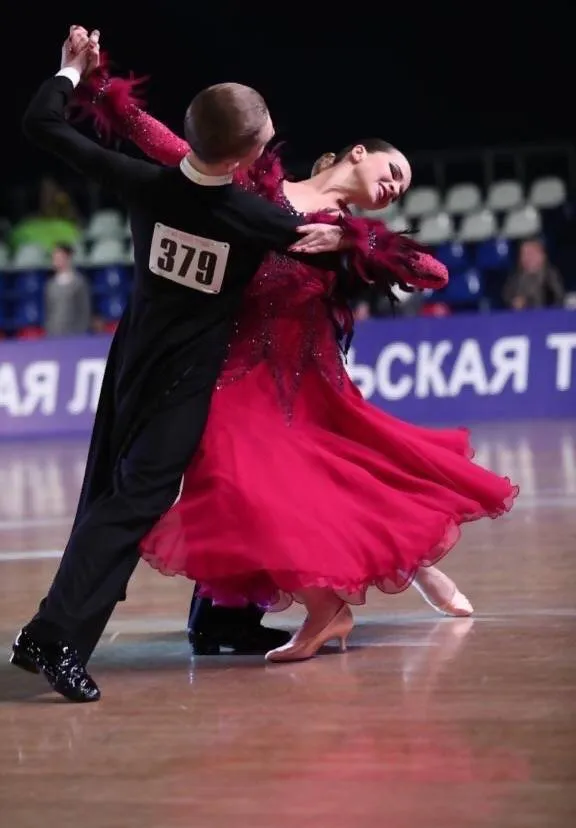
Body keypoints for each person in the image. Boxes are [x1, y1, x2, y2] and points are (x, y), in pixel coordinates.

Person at [77, 54, 517, 664]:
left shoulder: (349, 233)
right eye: (393, 171)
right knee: (234, 481)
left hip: (306, 379)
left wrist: (351, 239)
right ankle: (283, 611)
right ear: (356, 153)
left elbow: (434, 273)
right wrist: (97, 87)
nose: (394, 188)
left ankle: (339, 599)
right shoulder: (257, 186)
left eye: (402, 190)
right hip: (232, 368)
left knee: (325, 482)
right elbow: (167, 143)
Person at [10, 27, 358, 703]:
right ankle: (52, 638)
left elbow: (39, 122)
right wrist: (346, 234)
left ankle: (67, 634)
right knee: (130, 505)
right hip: (182, 384)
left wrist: (69, 72)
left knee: (110, 501)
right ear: (250, 154)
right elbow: (335, 248)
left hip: (128, 364)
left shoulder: (140, 181)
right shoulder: (253, 218)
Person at [44, 243, 92, 336]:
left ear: (68, 258)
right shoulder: (50, 284)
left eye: (59, 257)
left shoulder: (79, 282)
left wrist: (81, 331)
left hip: (75, 333)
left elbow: (85, 310)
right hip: (55, 332)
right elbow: (48, 310)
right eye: (54, 258)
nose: (55, 261)